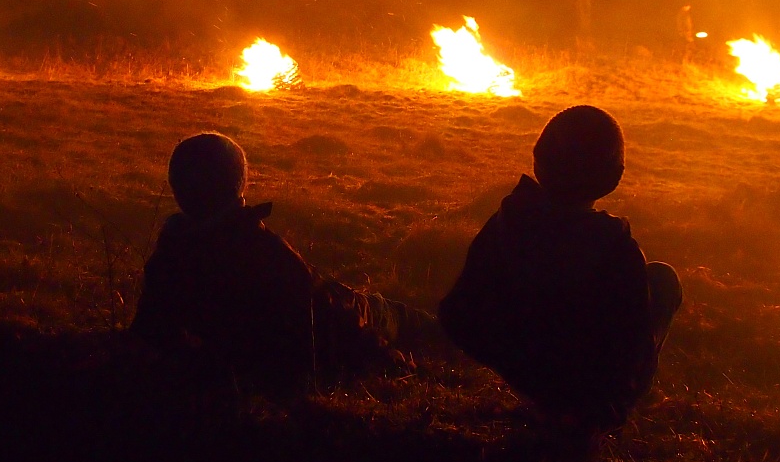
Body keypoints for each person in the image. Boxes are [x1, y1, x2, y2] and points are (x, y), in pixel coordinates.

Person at [439, 105, 682, 437]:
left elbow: (457, 311)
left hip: (525, 366)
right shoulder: (616, 247)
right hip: (582, 383)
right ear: (615, 176)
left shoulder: (510, 219)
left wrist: (507, 351)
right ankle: (596, 412)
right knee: (663, 279)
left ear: (538, 160)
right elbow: (631, 341)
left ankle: (553, 398)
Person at [130, 132, 427, 392]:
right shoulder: (264, 253)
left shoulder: (172, 248)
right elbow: (339, 322)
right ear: (239, 185)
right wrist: (395, 365)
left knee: (382, 309)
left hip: (333, 302)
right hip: (341, 307)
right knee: (387, 313)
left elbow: (151, 328)